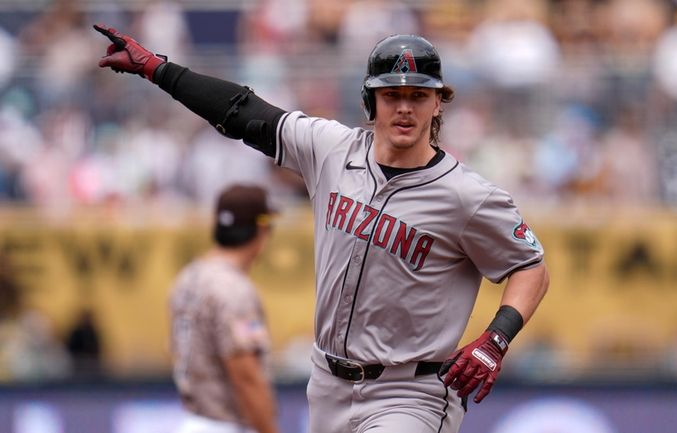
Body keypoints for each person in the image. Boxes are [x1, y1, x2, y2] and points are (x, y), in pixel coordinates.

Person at [95, 25, 550, 433]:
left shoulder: (467, 196)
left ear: (438, 102)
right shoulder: (332, 150)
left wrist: (496, 338)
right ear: (371, 101)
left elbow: (531, 267)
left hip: (410, 393)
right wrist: (159, 69)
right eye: (392, 96)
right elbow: (243, 112)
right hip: (327, 383)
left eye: (418, 96)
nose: (405, 108)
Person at [168, 184, 280, 433]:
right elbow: (246, 378)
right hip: (227, 424)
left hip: (193, 420)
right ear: (262, 229)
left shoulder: (188, 277)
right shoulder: (235, 291)